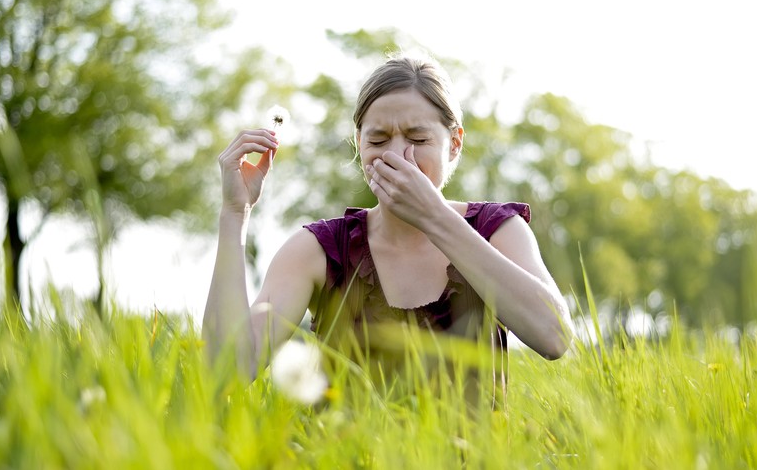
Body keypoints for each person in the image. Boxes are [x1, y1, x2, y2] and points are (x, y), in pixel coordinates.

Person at [202, 54, 572, 384]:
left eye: (418, 138)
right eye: (378, 140)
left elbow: (553, 338)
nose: (397, 156)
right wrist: (235, 214)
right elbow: (230, 370)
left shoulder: (497, 230)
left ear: (454, 142)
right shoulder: (320, 249)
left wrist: (434, 217)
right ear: (358, 142)